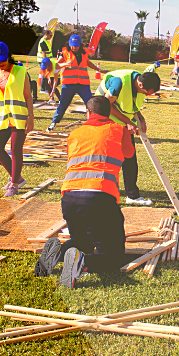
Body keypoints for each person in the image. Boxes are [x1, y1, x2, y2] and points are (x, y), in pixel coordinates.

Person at [37, 96, 137, 288]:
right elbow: (129, 154)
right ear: (109, 113)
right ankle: (80, 263)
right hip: (100, 197)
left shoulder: (75, 134)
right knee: (113, 257)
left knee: (81, 241)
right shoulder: (118, 129)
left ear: (88, 112)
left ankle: (54, 255)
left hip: (69, 197)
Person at [95, 69, 161, 205]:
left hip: (121, 120)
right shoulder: (119, 83)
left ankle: (132, 195)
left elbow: (132, 102)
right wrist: (128, 122)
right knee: (105, 158)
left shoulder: (138, 81)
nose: (146, 95)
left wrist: (140, 118)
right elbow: (106, 106)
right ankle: (97, 191)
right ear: (141, 85)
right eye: (147, 93)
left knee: (129, 157)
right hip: (101, 117)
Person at [0, 42, 35, 197]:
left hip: (19, 117)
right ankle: (17, 177)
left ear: (8, 56)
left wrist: (31, 117)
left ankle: (14, 184)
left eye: (2, 60)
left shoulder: (20, 71)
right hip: (0, 118)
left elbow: (28, 96)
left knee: (15, 149)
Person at [48, 34, 102, 131]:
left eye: (76, 45)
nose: (74, 47)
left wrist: (98, 70)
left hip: (83, 84)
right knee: (63, 104)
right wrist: (66, 64)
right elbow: (56, 65)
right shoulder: (65, 53)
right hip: (68, 85)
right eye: (72, 45)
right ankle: (54, 122)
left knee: (91, 104)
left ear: (79, 45)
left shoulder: (84, 52)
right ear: (69, 44)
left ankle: (94, 124)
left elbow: (88, 63)